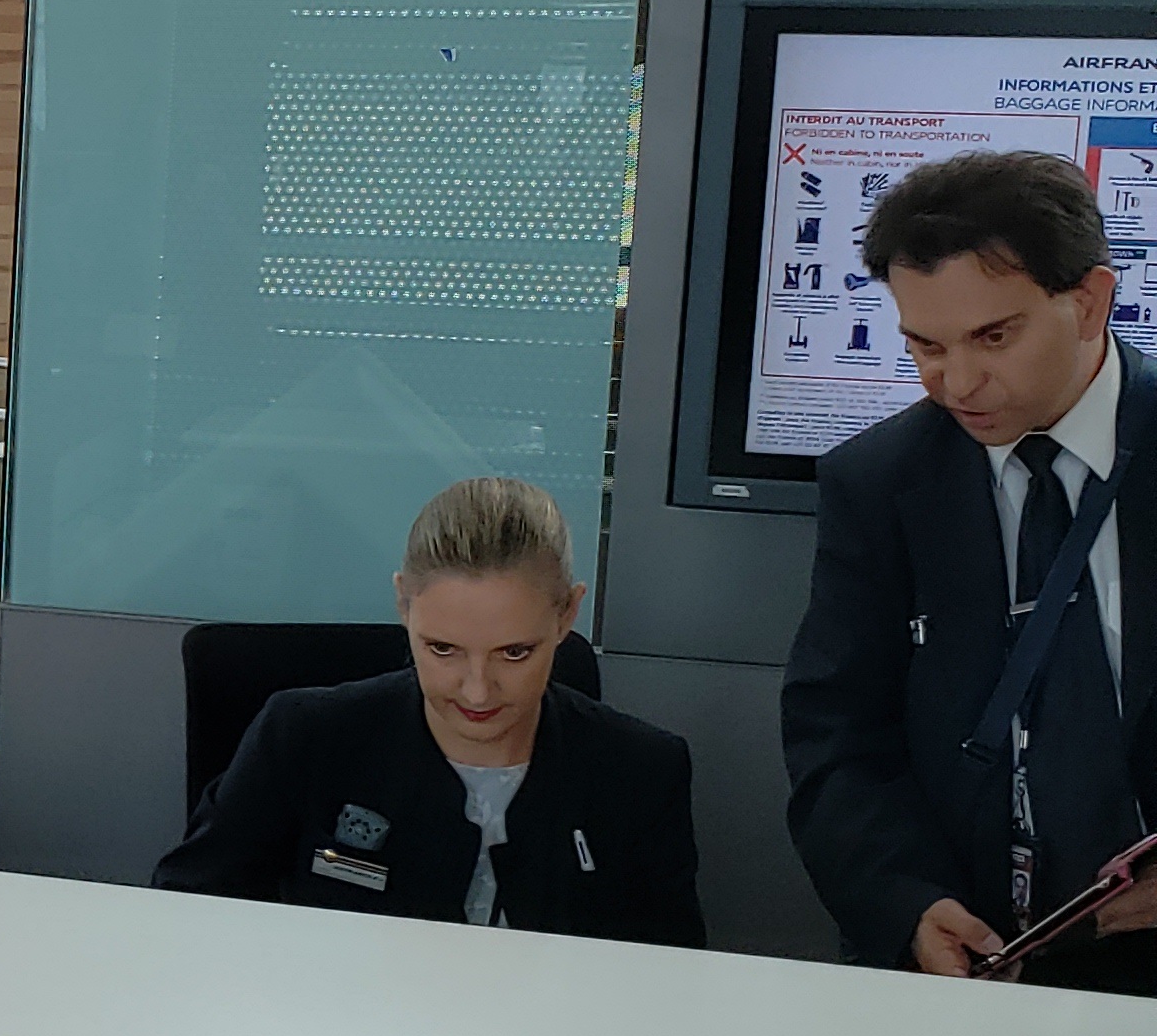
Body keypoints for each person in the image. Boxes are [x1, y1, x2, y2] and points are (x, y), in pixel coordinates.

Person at [781, 147, 1157, 987]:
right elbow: (838, 737)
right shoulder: (878, 483)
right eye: (924, 345)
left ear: (1090, 301)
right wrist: (905, 901)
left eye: (994, 337)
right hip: (976, 968)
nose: (957, 382)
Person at [154, 474, 704, 943]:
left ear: (567, 616)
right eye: (443, 649)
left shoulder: (641, 771)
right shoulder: (304, 738)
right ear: (403, 605)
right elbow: (184, 917)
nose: (477, 692)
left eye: (515, 653)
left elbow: (664, 987)